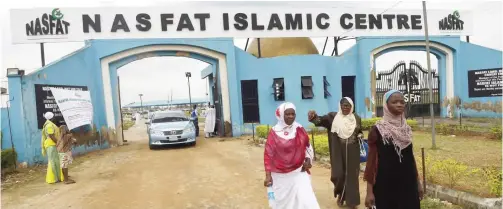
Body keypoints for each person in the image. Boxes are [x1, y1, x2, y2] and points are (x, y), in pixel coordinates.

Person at [364, 90, 424, 209]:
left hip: (408, 184)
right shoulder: (378, 130)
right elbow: (371, 162)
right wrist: (369, 192)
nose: (399, 104)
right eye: (394, 102)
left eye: (402, 102)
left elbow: (410, 159)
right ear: (386, 105)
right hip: (385, 186)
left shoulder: (406, 130)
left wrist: (418, 183)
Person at [308, 97, 363, 208]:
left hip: (353, 151)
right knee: (338, 174)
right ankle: (341, 195)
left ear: (352, 107)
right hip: (338, 151)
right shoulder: (332, 117)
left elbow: (359, 130)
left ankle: (352, 201)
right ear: (340, 106)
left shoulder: (356, 118)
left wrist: (360, 134)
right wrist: (313, 117)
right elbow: (319, 121)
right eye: (343, 105)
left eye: (348, 105)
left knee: (352, 176)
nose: (345, 107)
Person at [264, 102, 320, 209]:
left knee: (309, 202)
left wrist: (308, 159)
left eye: (293, 114)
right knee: (285, 205)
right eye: (287, 114)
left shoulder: (299, 129)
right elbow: (268, 155)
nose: (291, 116)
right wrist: (268, 175)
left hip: (299, 173)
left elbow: (307, 147)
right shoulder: (274, 132)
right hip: (280, 177)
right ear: (281, 115)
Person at [41, 112, 63, 184]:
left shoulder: (48, 124)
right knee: (53, 161)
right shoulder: (49, 125)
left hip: (51, 145)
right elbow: (51, 135)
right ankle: (55, 178)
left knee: (55, 161)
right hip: (51, 145)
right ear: (52, 118)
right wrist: (58, 143)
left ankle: (58, 177)